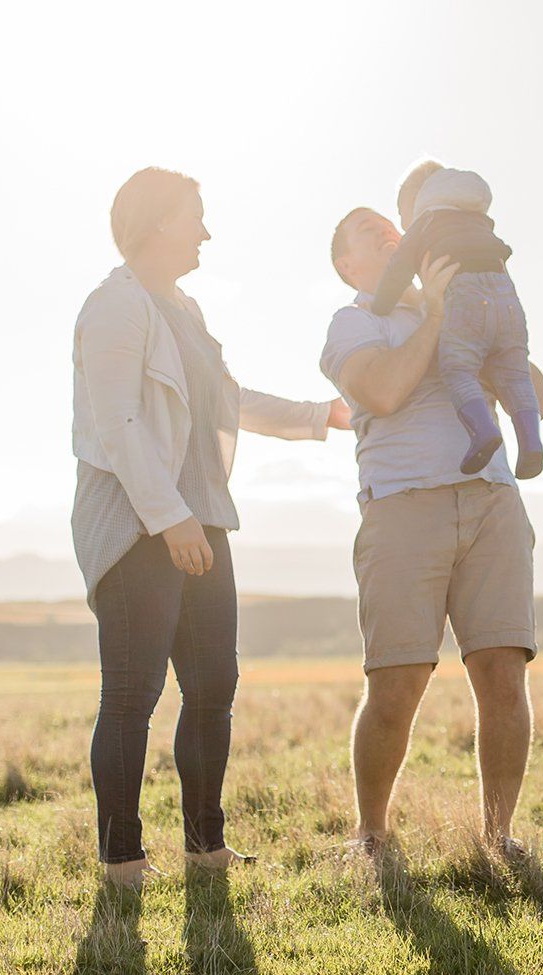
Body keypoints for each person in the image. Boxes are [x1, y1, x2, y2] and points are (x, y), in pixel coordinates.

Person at [73, 167, 349, 889]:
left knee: (212, 684)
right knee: (132, 693)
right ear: (159, 222)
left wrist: (322, 416)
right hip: (139, 525)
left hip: (201, 520)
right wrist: (169, 519)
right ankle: (121, 859)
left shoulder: (184, 310)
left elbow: (229, 400)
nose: (206, 231)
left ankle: (205, 845)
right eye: (196, 216)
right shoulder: (113, 307)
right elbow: (118, 424)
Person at [322, 205, 543, 859]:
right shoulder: (352, 321)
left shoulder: (469, 299)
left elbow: (535, 392)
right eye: (366, 232)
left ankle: (499, 836)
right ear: (346, 265)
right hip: (401, 509)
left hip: (492, 503)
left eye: (389, 225)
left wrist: (477, 320)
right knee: (396, 684)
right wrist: (439, 320)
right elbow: (385, 392)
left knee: (505, 676)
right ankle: (372, 835)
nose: (386, 232)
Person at [368, 159, 543, 479]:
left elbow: (398, 269)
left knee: (458, 366)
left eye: (402, 213)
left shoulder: (427, 222)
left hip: (464, 298)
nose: (403, 224)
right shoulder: (480, 222)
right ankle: (531, 442)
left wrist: (380, 306)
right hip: (507, 301)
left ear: (420, 200)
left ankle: (482, 432)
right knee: (515, 372)